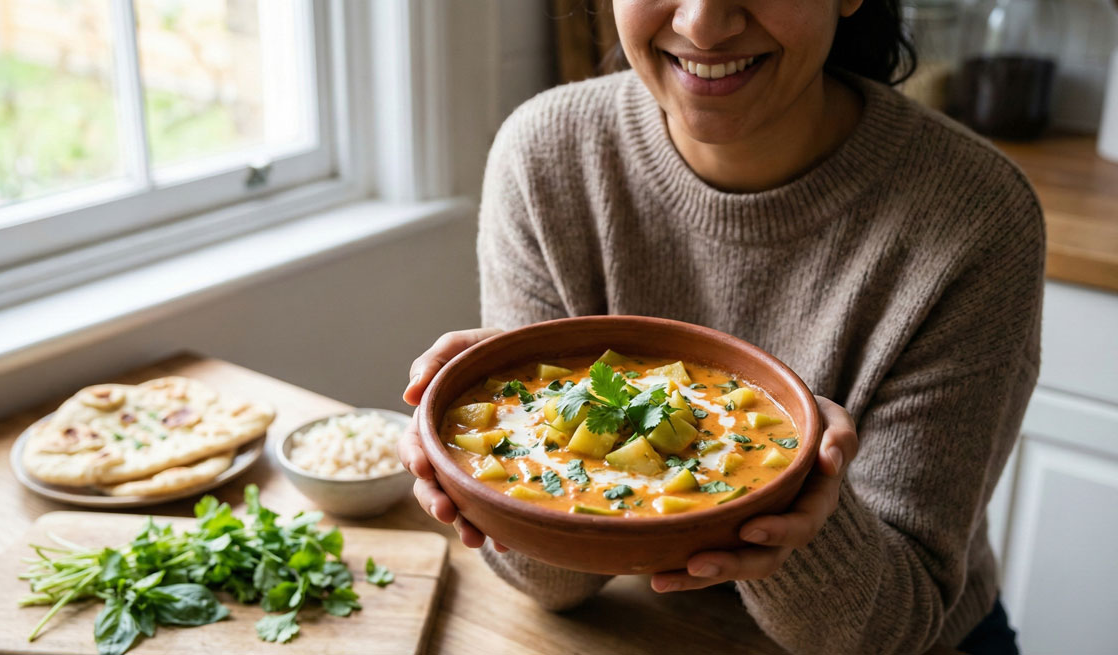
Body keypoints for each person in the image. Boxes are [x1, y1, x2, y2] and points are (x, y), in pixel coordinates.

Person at [399, 1, 1041, 653]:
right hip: (645, 625)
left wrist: (799, 512)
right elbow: (551, 588)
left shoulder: (978, 216)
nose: (703, 23)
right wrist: (494, 471)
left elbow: (887, 629)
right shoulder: (544, 154)